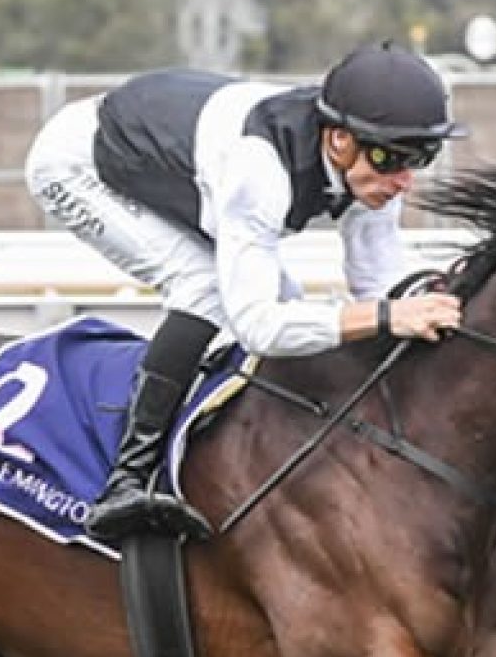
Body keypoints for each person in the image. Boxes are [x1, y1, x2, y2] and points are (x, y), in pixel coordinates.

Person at [25, 41, 468, 543]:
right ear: (339, 140)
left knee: (292, 302)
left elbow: (377, 284)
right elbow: (259, 326)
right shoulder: (260, 171)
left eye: (422, 158)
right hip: (78, 165)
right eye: (393, 158)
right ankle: (127, 478)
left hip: (180, 160)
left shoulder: (373, 166)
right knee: (205, 287)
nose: (405, 180)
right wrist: (387, 317)